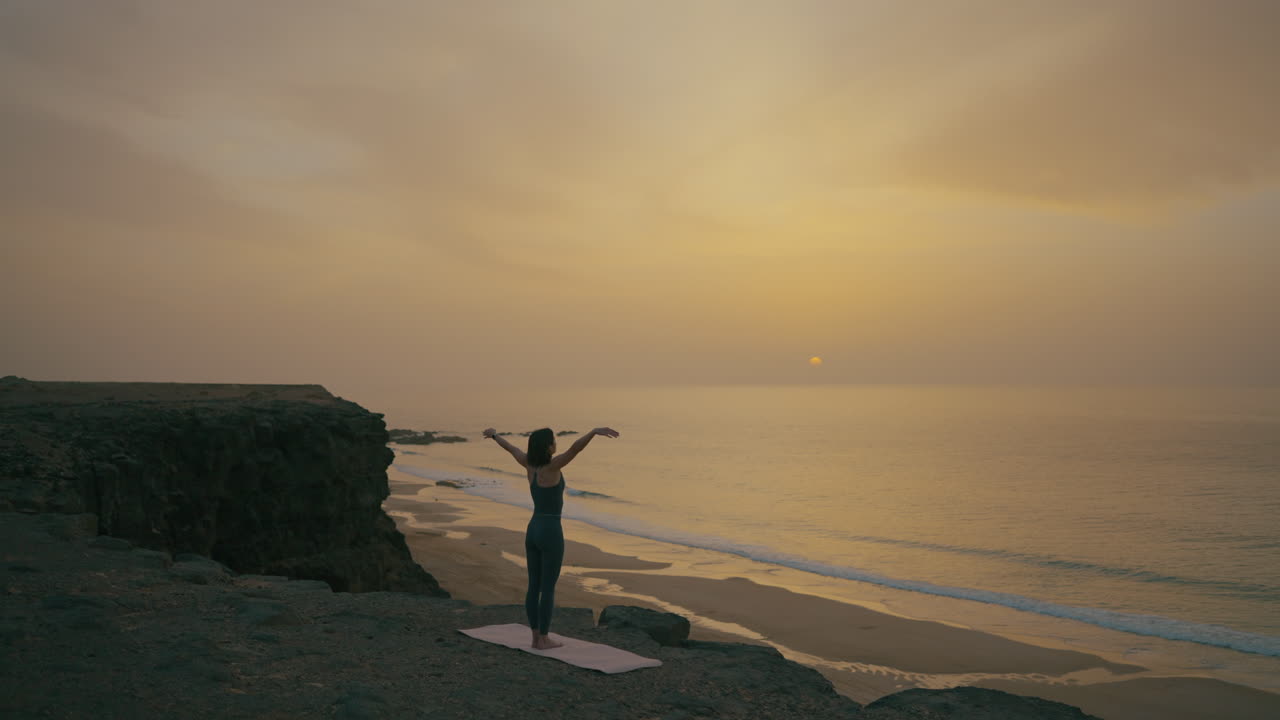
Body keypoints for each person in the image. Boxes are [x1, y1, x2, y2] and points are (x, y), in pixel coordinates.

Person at [481, 425, 620, 649]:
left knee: (533, 586)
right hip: (551, 530)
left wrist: (495, 435)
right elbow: (575, 449)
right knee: (548, 588)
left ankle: (535, 636)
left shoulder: (528, 463)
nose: (557, 444)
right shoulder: (553, 466)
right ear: (548, 446)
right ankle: (544, 639)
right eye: (554, 441)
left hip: (533, 528)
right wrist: (593, 432)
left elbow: (510, 448)